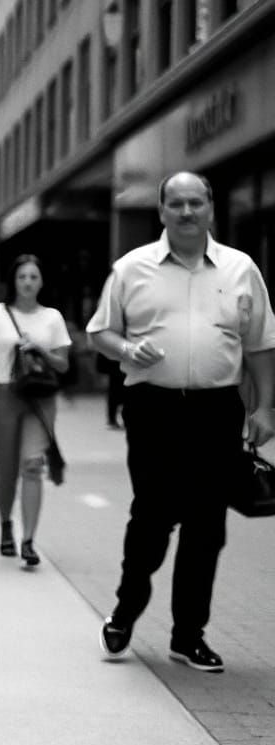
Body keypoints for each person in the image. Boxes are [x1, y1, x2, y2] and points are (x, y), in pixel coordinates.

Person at [88, 172, 275, 672]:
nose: (187, 212)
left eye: (196, 202)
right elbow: (100, 332)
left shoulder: (241, 268)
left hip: (218, 411)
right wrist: (128, 349)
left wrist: (264, 408)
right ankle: (125, 612)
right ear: (162, 211)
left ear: (210, 207)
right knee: (152, 516)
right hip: (153, 408)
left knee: (207, 524)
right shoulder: (131, 268)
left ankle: (188, 636)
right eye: (177, 203)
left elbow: (260, 344)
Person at [0, 254, 71, 568]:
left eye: (33, 277)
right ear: (13, 281)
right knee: (6, 469)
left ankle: (29, 540)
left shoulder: (53, 318)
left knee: (32, 465)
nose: (28, 282)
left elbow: (63, 365)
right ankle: (6, 523)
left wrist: (40, 349)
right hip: (4, 394)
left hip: (40, 398)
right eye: (22, 277)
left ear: (41, 281)